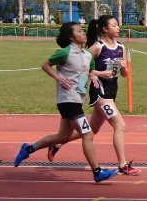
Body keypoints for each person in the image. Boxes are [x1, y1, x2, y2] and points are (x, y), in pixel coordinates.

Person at [13, 22, 118, 183]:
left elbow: (89, 71)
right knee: (88, 134)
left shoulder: (87, 54)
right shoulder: (65, 52)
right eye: (79, 31)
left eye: (83, 31)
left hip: (78, 98)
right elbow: (46, 65)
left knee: (63, 136)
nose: (83, 33)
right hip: (67, 100)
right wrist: (59, 78)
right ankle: (97, 172)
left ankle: (28, 148)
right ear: (70, 37)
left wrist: (95, 77)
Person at [47, 16, 140, 175]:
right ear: (105, 29)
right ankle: (123, 165)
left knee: (93, 129)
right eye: (114, 25)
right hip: (100, 92)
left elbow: (124, 74)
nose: (118, 28)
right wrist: (98, 74)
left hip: (112, 91)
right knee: (120, 125)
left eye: (118, 25)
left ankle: (57, 144)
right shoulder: (98, 47)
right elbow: (83, 67)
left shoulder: (121, 47)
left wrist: (124, 67)